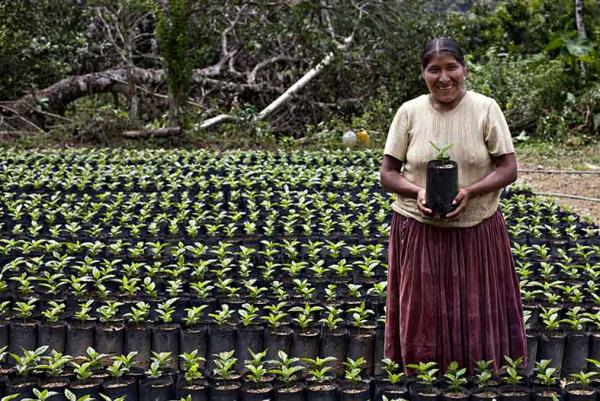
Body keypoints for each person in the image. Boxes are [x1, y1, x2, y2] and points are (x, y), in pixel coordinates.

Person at [380, 37, 527, 373]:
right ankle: (421, 374)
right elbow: (388, 174)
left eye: (451, 68)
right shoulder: (409, 112)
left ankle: (476, 375)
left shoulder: (485, 108)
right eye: (434, 70)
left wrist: (470, 192)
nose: (443, 77)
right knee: (424, 309)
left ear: (464, 70)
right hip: (419, 227)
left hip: (477, 227)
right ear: (423, 74)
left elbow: (509, 168)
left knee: (474, 306)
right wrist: (416, 191)